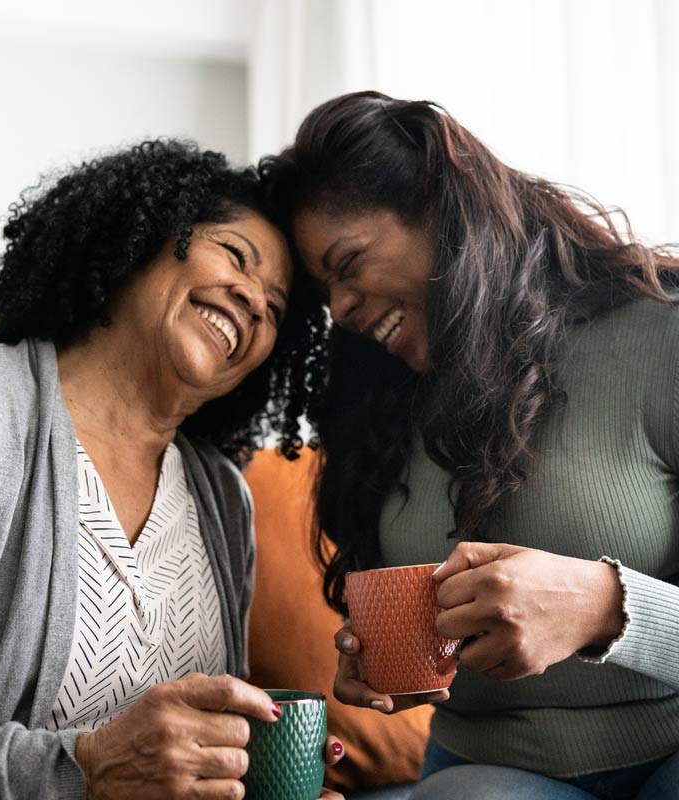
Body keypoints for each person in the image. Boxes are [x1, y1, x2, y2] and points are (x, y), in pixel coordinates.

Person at [0, 139, 344, 799]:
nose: (250, 300)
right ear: (140, 238)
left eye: (273, 309)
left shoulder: (221, 499)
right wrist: (83, 769)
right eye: (234, 256)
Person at [259, 91, 679, 799]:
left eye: (349, 261)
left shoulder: (656, 336)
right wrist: (386, 667)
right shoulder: (377, 406)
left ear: (437, 197)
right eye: (323, 290)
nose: (339, 310)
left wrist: (608, 606)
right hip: (491, 772)